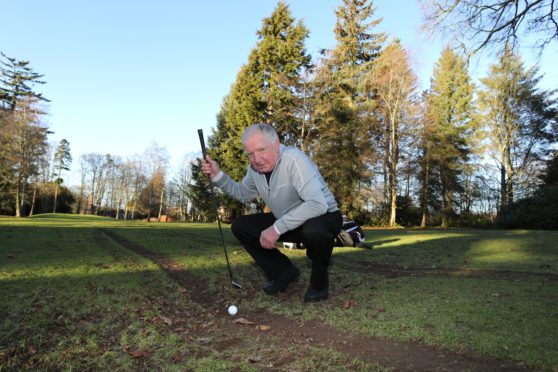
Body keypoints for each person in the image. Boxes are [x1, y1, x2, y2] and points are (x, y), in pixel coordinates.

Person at [200, 123, 342, 302]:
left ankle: (319, 282)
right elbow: (243, 193)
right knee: (241, 226)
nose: (256, 159)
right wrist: (217, 176)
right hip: (288, 219)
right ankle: (283, 272)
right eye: (250, 154)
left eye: (261, 149)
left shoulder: (294, 159)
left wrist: (276, 228)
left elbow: (317, 204)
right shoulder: (255, 169)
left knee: (314, 230)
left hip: (324, 216)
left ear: (276, 144)